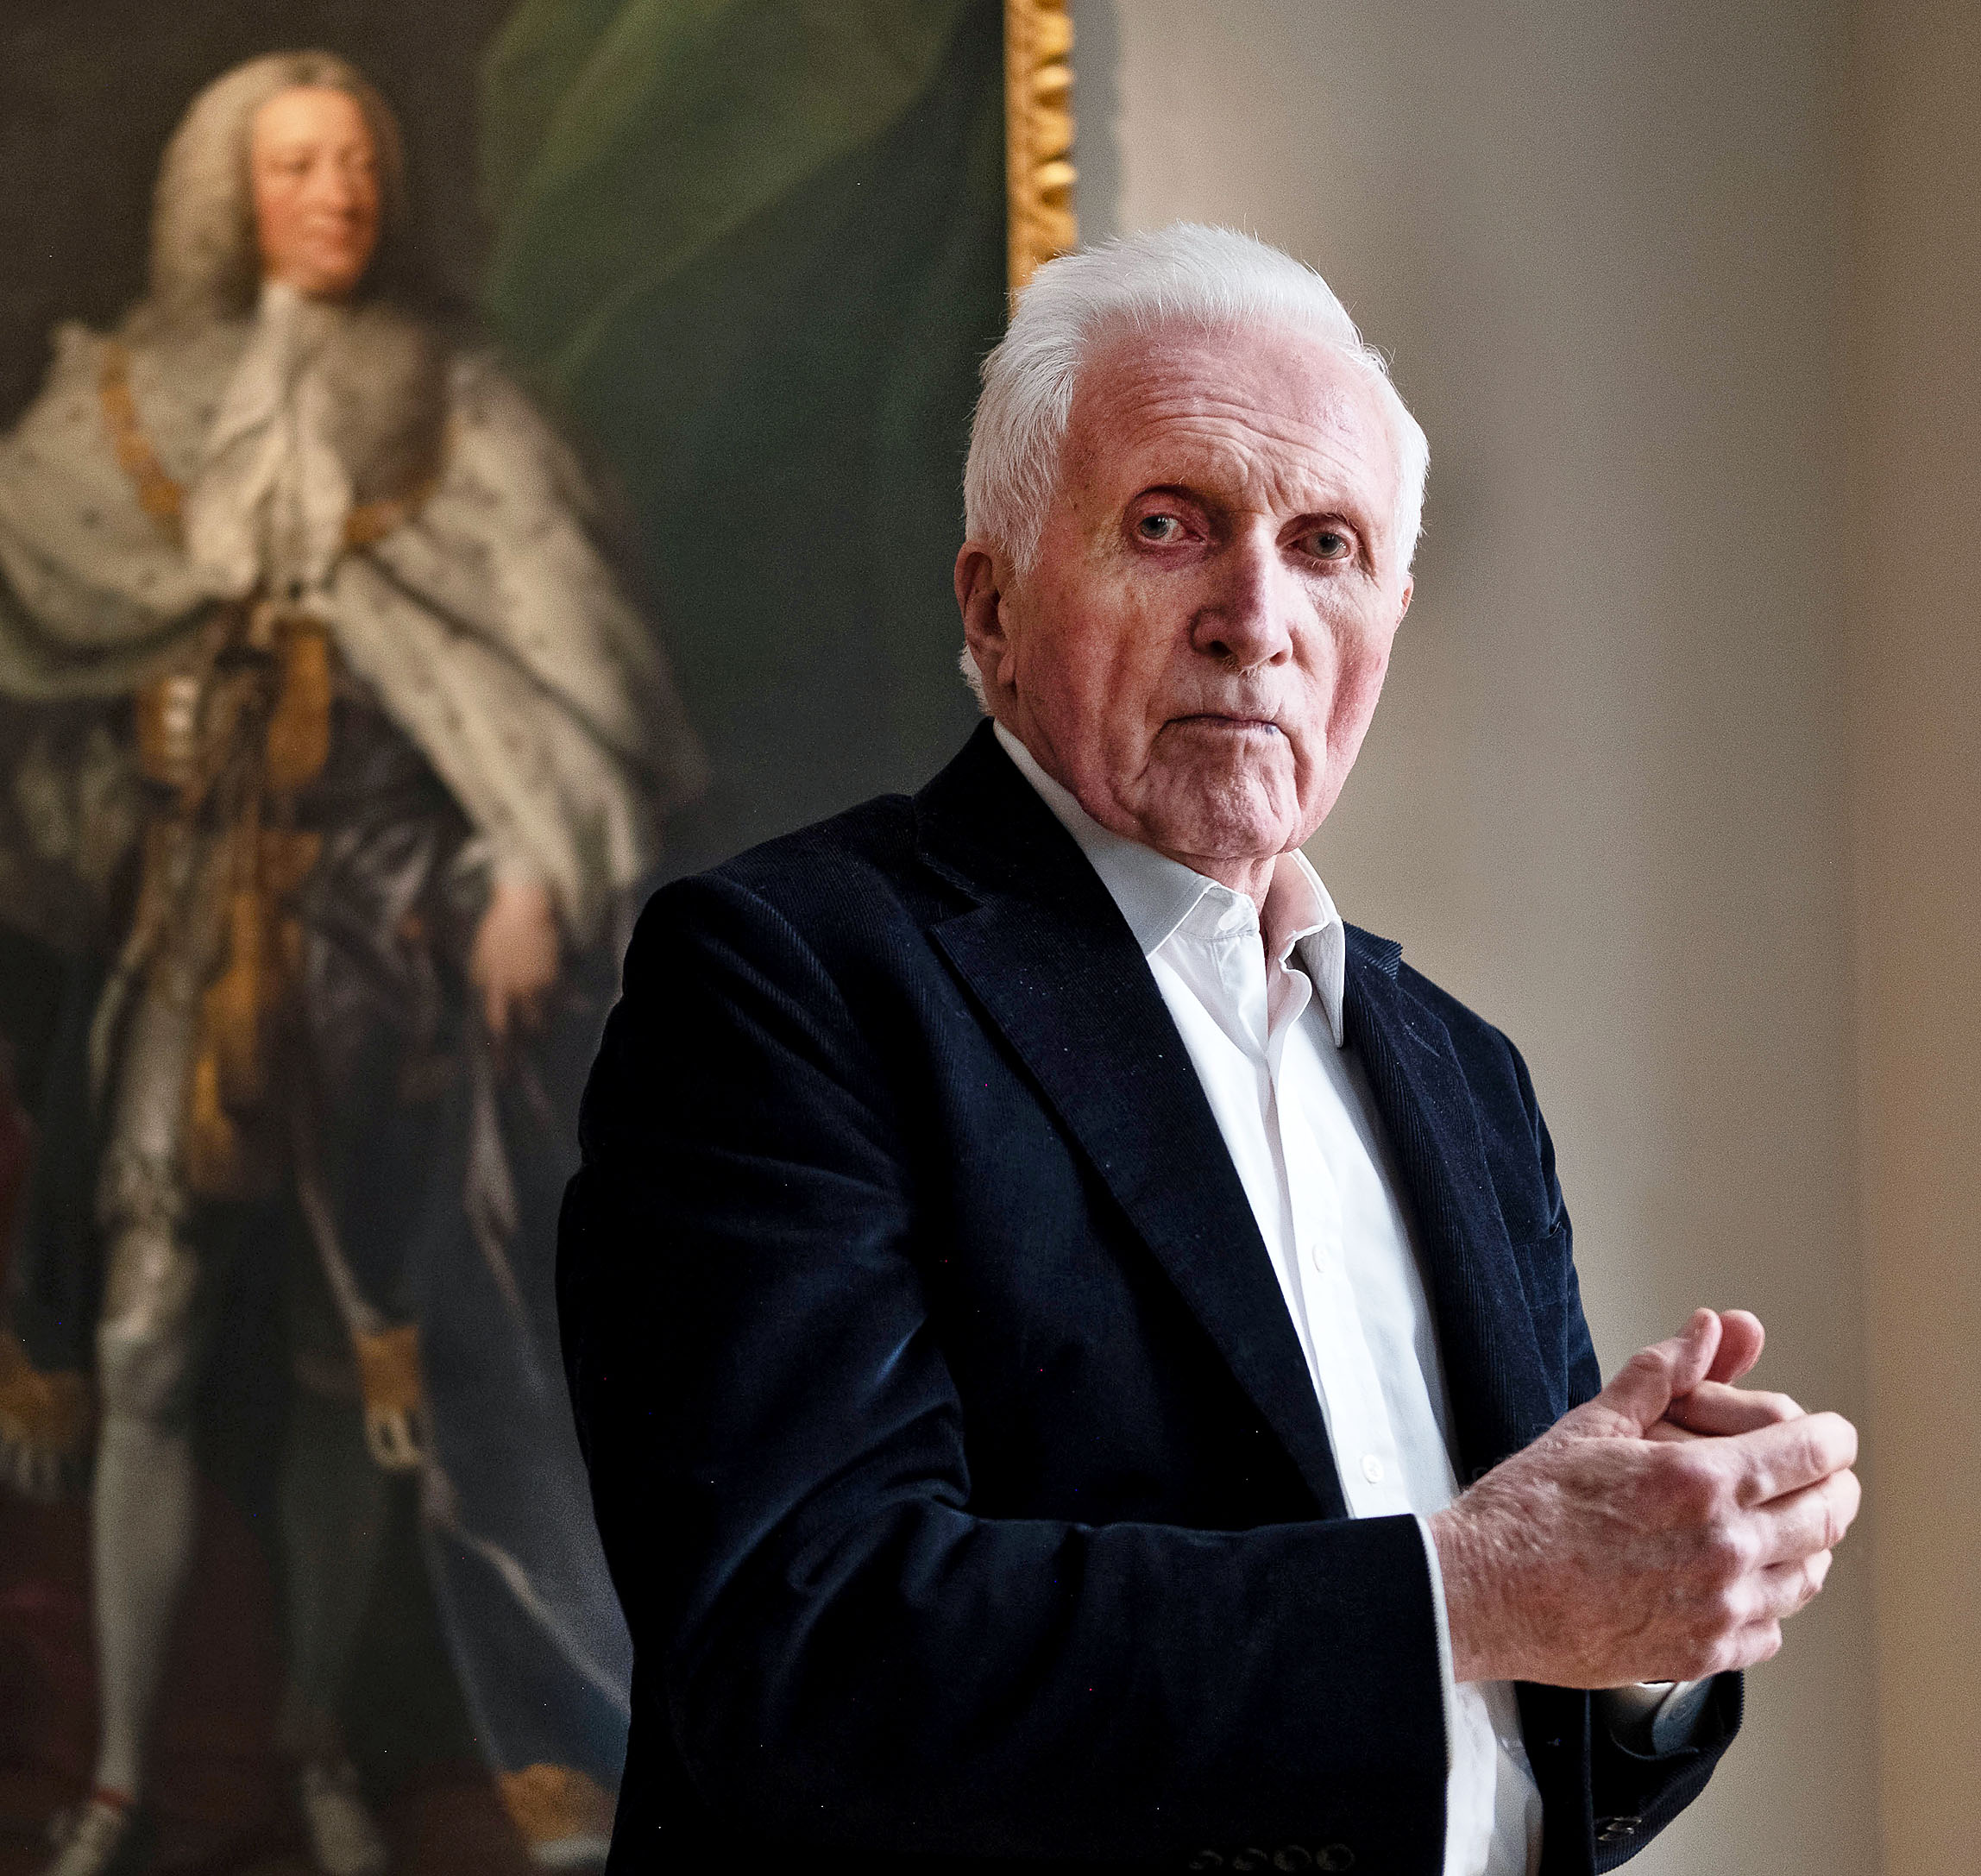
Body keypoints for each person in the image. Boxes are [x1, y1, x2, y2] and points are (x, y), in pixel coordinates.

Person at [556, 224, 1859, 1873]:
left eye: (1327, 545)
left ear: (1385, 617)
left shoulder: (1461, 1069)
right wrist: (1474, 1586)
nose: (1258, 616)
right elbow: (805, 1657)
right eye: (1172, 527)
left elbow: (1517, 1748)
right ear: (994, 605)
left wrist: (1652, 1613)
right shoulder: (787, 979)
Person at [0, 50, 701, 1876]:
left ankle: (328, 1747)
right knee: (147, 1324)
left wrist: (531, 860)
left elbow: (575, 676)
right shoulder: (133, 402)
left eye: (359, 163)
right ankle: (121, 1774)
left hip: (399, 928)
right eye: (297, 166)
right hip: (196, 920)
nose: (337, 194)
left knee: (381, 1350)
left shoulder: (468, 410)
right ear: (232, 194)